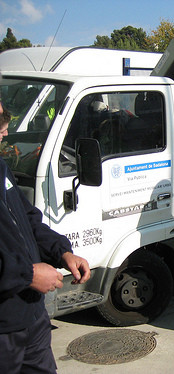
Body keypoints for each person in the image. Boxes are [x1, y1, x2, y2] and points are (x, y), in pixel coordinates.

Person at [0, 103, 91, 373]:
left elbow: (27, 219)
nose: (5, 134)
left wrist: (63, 252)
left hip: (31, 316)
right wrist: (26, 274)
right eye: (0, 127)